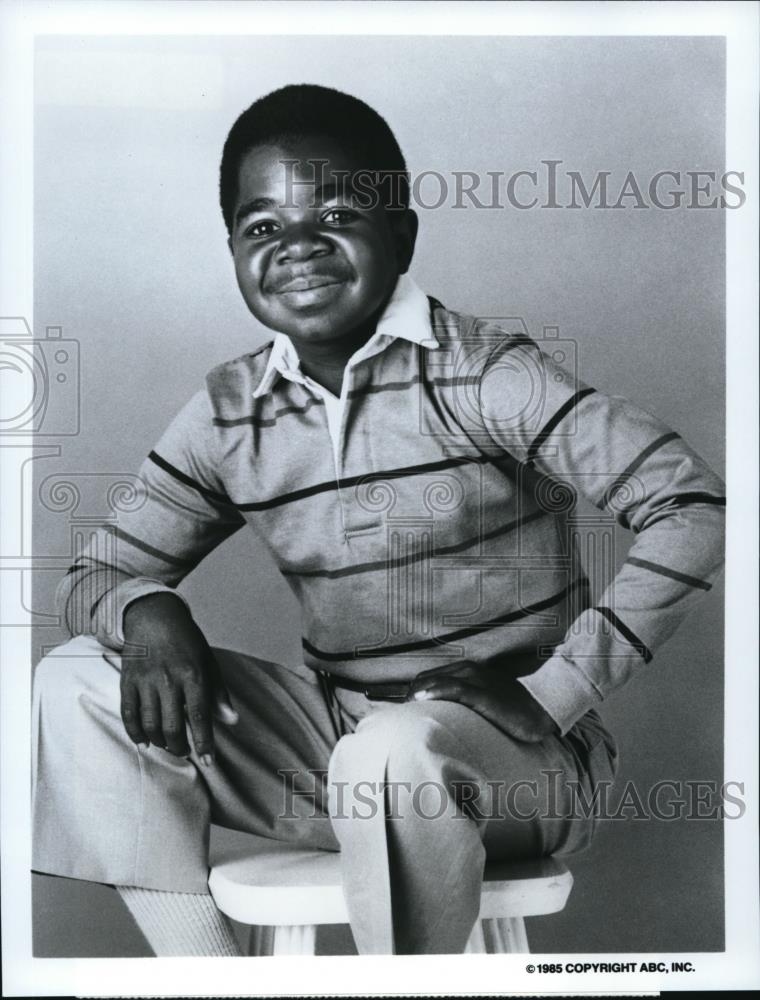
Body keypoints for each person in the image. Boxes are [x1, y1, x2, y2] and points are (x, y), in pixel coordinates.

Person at [32, 83, 726, 956]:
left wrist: (556, 692)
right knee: (73, 681)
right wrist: (146, 608)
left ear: (401, 231)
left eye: (335, 211)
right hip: (337, 753)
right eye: (262, 228)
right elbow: (91, 576)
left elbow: (690, 503)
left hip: (520, 771)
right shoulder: (228, 410)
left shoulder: (485, 373)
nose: (297, 247)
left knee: (393, 753)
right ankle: (210, 979)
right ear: (235, 252)